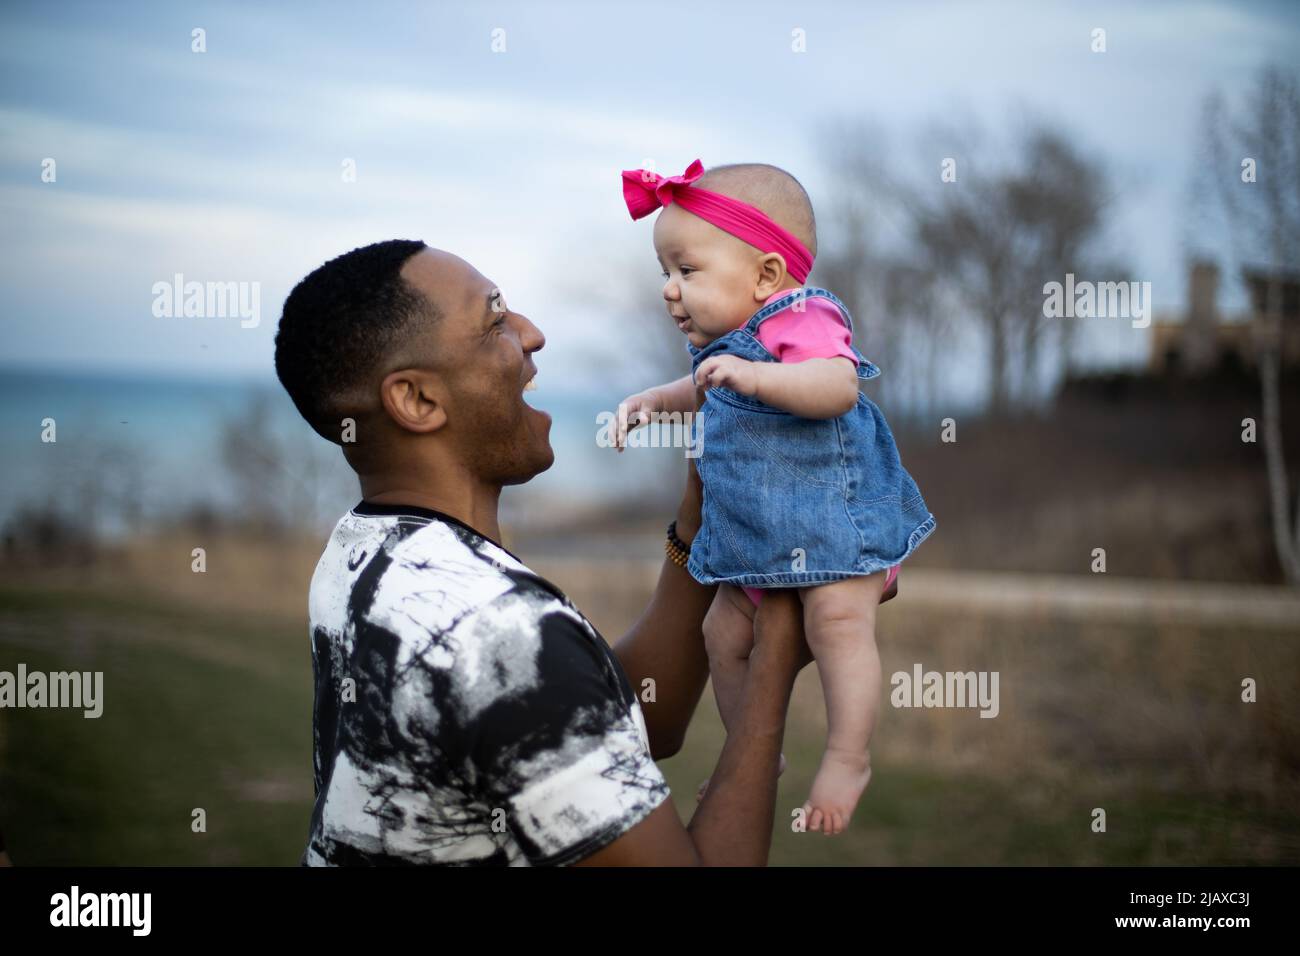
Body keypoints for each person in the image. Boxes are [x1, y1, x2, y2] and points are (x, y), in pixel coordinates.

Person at [273, 239, 811, 865]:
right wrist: (769, 673)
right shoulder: (491, 623)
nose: (532, 334)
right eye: (494, 323)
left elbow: (624, 722)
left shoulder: (366, 550)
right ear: (417, 400)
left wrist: (701, 520)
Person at [614, 160, 936, 834]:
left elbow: (837, 388)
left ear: (765, 274)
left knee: (839, 626)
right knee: (720, 635)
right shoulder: (726, 350)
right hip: (760, 545)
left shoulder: (804, 317)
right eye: (665, 274)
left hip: (839, 530)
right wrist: (652, 402)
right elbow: (700, 388)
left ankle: (849, 756)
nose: (670, 292)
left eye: (687, 270)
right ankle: (758, 751)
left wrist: (758, 382)